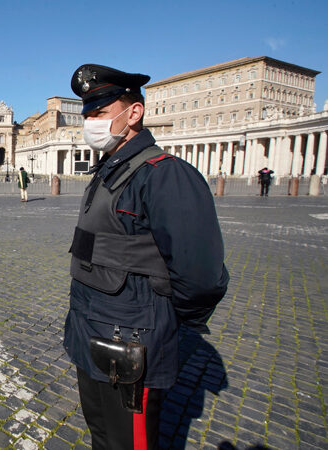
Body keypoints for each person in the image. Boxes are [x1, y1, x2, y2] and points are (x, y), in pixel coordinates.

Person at [63, 64, 229, 449]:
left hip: (131, 342)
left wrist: (167, 323)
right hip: (91, 335)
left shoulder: (165, 176)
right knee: (104, 437)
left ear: (133, 113)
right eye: (87, 114)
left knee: (131, 444)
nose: (90, 122)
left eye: (99, 114)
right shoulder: (107, 172)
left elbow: (202, 276)